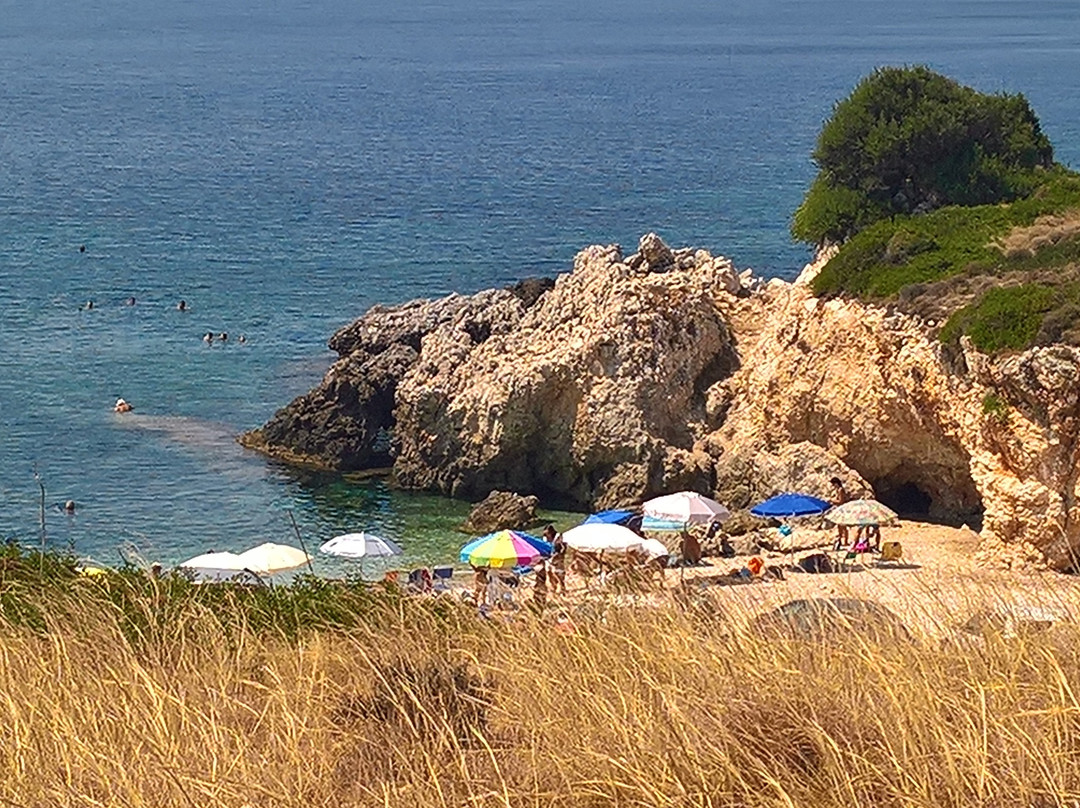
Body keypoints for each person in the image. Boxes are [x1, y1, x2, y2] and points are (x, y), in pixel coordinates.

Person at [544, 524, 567, 595]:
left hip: (557, 557)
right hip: (548, 557)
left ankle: (562, 588)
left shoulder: (558, 537)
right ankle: (553, 587)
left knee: (558, 573)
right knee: (549, 572)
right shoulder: (545, 538)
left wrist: (559, 555)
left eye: (547, 533)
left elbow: (563, 548)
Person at [829, 476, 849, 550]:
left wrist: (832, 500)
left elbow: (841, 501)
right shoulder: (838, 490)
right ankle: (840, 539)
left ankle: (846, 541)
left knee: (843, 526)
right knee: (839, 525)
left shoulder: (840, 490)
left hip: (842, 509)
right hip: (839, 509)